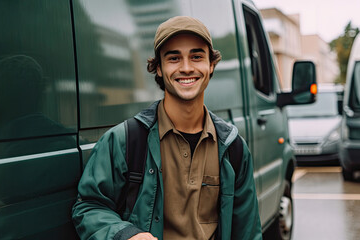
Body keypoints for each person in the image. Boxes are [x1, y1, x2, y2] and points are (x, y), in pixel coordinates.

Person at [72, 16, 262, 240]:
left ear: (211, 65)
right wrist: (126, 235)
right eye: (174, 58)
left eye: (196, 56)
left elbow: (247, 232)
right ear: (159, 68)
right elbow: (88, 207)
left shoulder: (233, 147)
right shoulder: (124, 140)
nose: (186, 67)